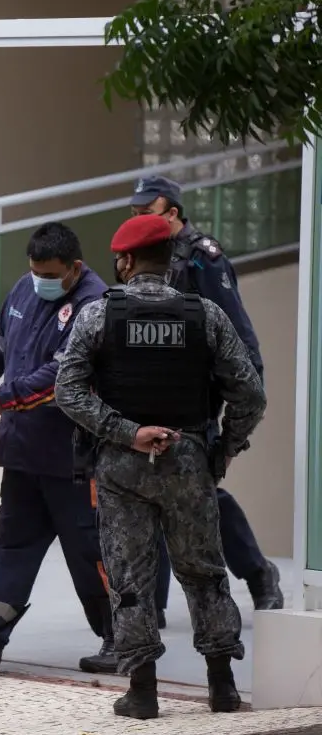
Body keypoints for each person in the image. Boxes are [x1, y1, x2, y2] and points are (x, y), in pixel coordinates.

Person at [54, 213, 266, 720]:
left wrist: (126, 432)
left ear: (125, 262)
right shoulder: (206, 316)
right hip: (189, 462)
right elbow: (250, 395)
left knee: (131, 577)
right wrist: (226, 447)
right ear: (170, 262)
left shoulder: (98, 315)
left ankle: (143, 693)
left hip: (122, 468)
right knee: (205, 572)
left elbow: (68, 391)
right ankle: (223, 688)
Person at [0, 223, 117, 675]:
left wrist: (4, 398)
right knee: (12, 545)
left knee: (91, 551)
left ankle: (121, 640)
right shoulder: (23, 291)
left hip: (72, 455)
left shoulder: (95, 304)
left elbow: (63, 374)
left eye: (49, 273)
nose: (39, 280)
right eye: (34, 271)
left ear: (74, 268)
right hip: (23, 451)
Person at [130, 176, 283, 622]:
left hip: (196, 394)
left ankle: (258, 574)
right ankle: (151, 609)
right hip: (149, 389)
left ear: (173, 211)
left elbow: (236, 332)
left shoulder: (203, 258)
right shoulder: (140, 253)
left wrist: (244, 403)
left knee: (198, 490)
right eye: (134, 212)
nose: (138, 218)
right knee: (149, 487)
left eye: (147, 210)